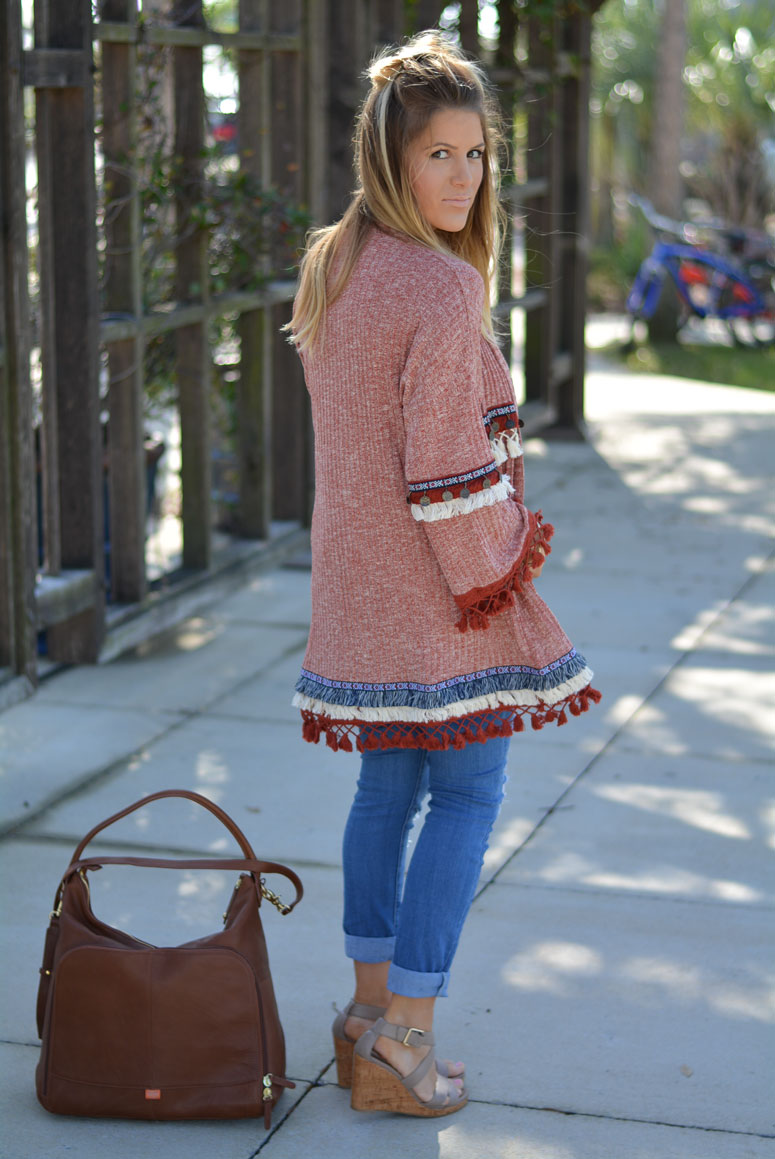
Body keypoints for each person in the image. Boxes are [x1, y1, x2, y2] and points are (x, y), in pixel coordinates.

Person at [282, 30, 600, 1118]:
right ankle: (408, 1038)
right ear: (391, 158)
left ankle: (366, 1018)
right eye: (438, 155)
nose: (463, 176)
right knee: (467, 792)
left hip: (356, 585)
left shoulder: (336, 263)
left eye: (475, 154)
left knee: (385, 791)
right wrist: (500, 572)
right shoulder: (442, 287)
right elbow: (447, 473)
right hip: (438, 589)